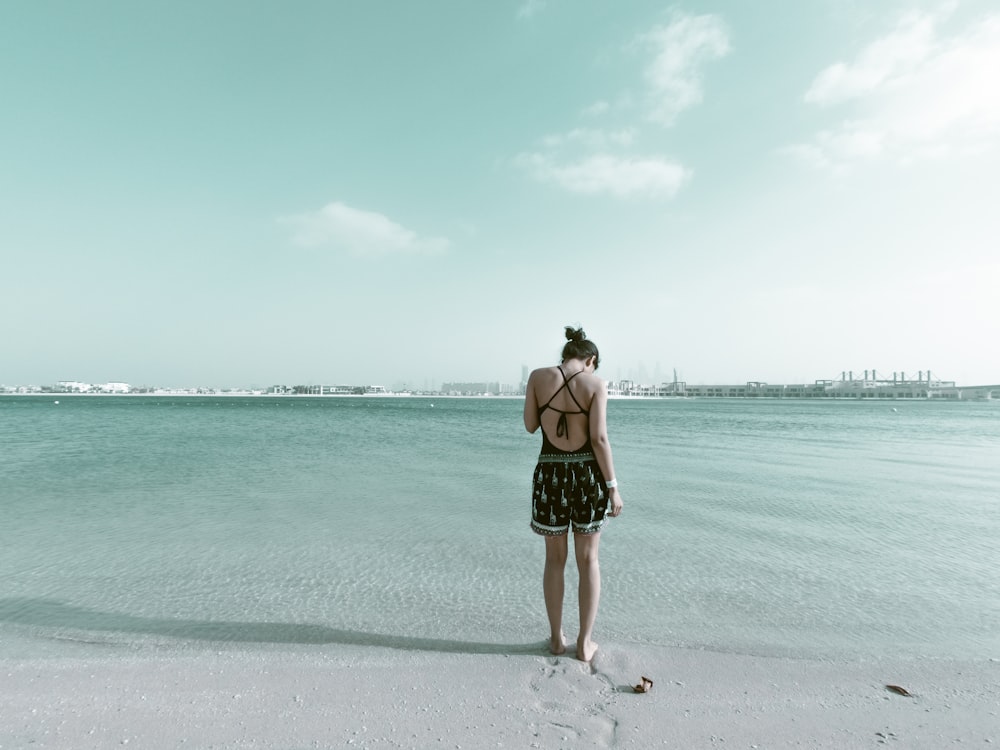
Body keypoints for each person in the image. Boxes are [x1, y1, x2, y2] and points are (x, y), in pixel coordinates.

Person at [523, 326, 623, 662]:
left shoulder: (537, 377)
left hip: (550, 472)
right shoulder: (596, 385)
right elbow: (599, 440)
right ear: (591, 360)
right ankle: (584, 643)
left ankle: (555, 639)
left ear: (566, 355)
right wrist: (613, 488)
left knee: (554, 560)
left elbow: (530, 425)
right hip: (586, 477)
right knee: (588, 560)